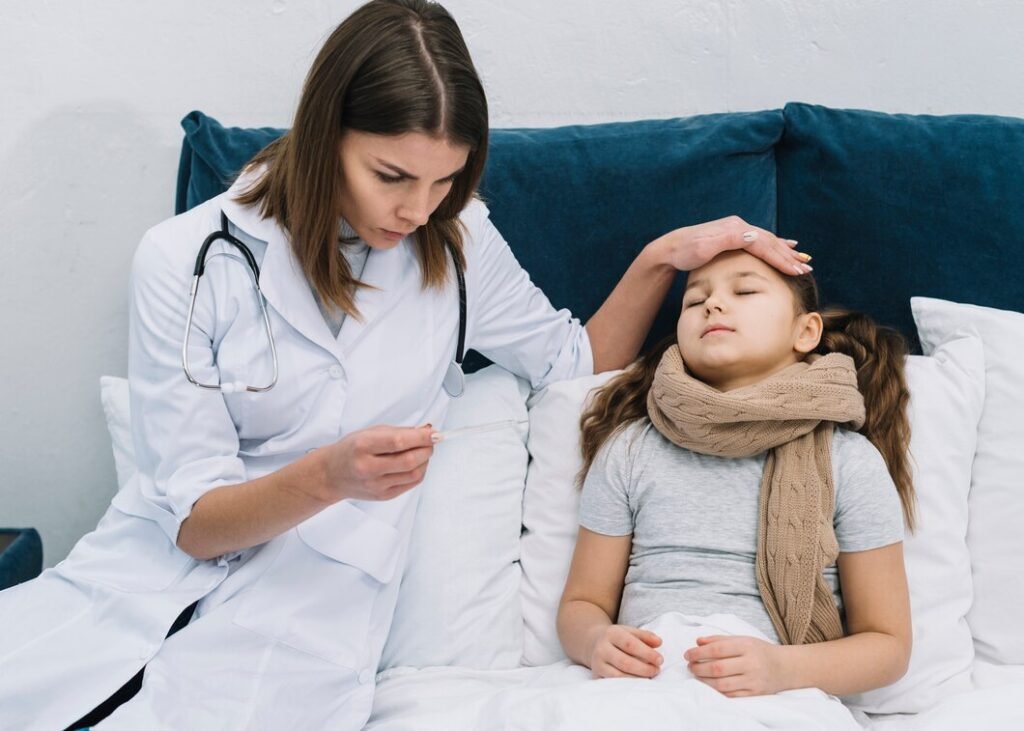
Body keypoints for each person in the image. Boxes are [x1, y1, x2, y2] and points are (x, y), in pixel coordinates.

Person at [0, 1, 812, 729]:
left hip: (305, 620)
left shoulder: (457, 243)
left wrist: (662, 258)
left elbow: (573, 362)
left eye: (445, 180)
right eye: (391, 176)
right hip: (136, 578)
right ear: (326, 137)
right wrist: (327, 475)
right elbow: (195, 524)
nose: (417, 210)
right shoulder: (185, 257)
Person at [557, 248, 914, 703]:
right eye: (693, 301)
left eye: (744, 290)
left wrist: (781, 669)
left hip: (776, 693)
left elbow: (888, 646)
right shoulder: (631, 448)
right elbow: (581, 604)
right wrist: (594, 643)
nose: (713, 304)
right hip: (642, 691)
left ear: (805, 332)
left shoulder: (849, 461)